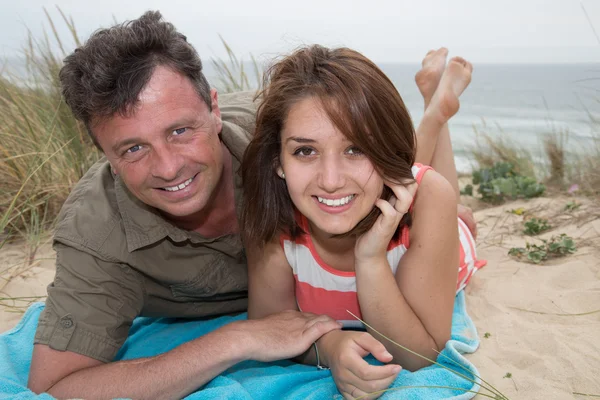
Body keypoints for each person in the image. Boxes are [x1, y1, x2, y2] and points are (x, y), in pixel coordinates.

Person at [27, 12, 342, 399]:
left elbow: (399, 169)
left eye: (179, 131)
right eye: (134, 148)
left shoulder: (286, 129)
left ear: (214, 109)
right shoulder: (97, 232)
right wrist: (233, 342)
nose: (169, 168)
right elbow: (55, 388)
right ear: (105, 155)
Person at [241, 45, 486, 399]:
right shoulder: (273, 208)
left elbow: (421, 356)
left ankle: (435, 114)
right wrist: (329, 346)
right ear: (278, 160)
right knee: (383, 185)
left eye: (356, 148)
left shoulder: (428, 199)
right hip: (378, 198)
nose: (330, 179)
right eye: (305, 151)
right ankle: (435, 107)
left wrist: (370, 258)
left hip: (437, 238)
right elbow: (268, 332)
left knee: (441, 194)